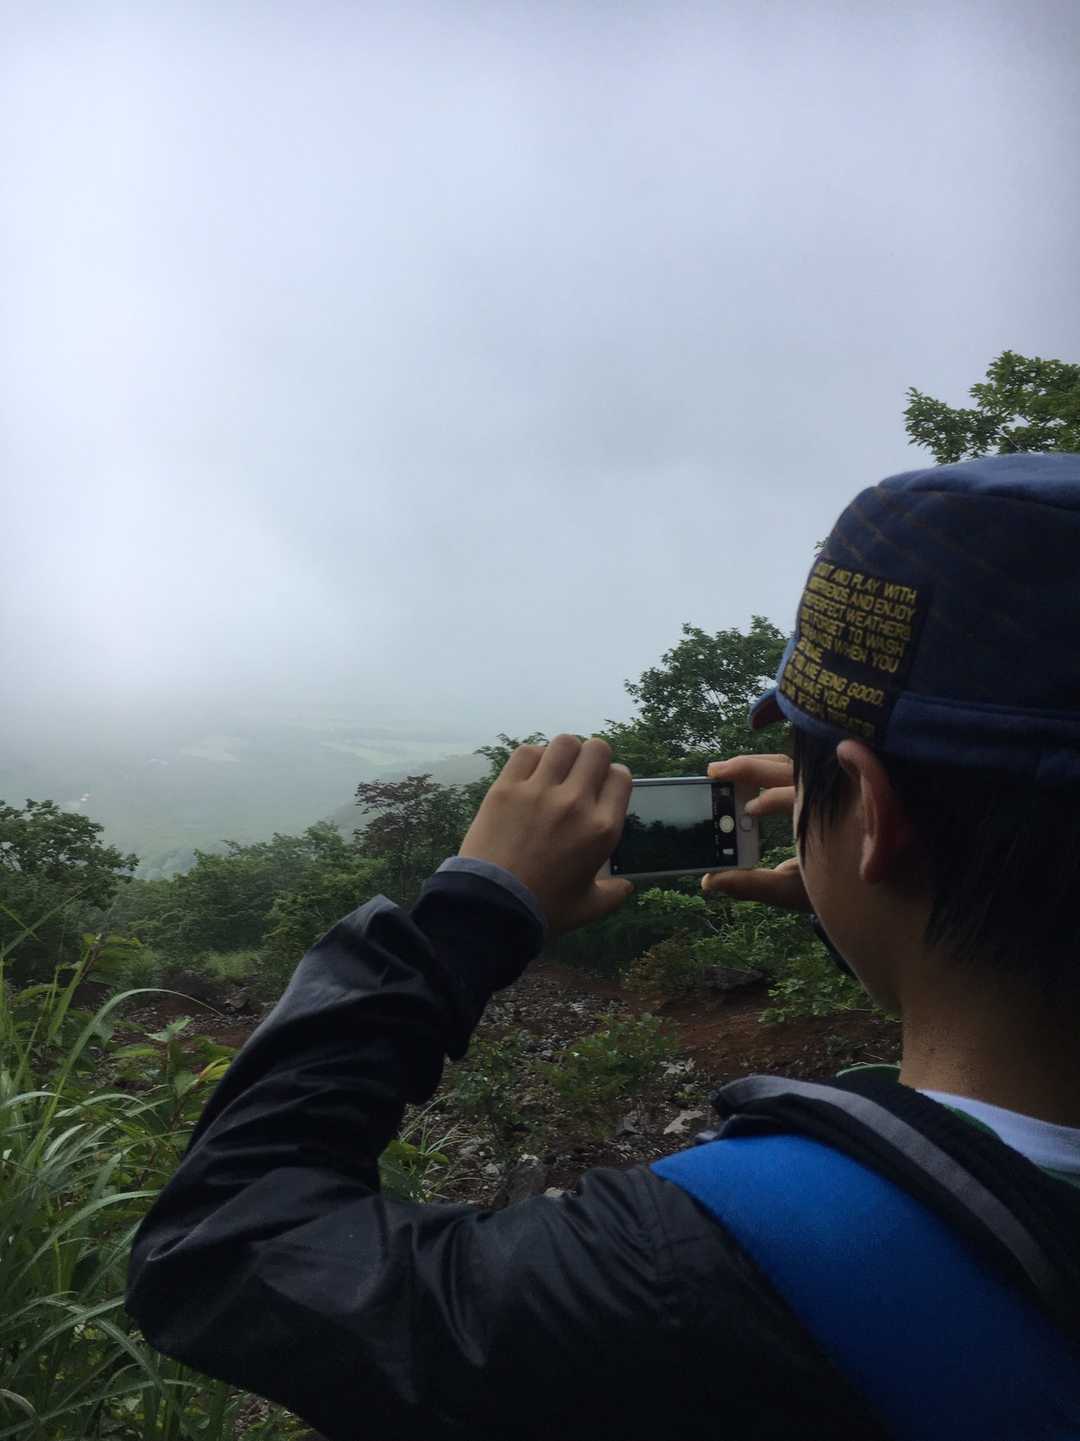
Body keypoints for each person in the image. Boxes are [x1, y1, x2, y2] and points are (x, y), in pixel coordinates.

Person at [127, 452, 1080, 1439]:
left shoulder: (696, 1274)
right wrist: (888, 891)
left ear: (872, 812)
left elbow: (224, 1246)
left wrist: (469, 915)